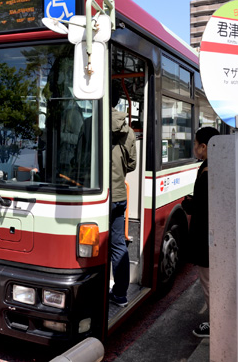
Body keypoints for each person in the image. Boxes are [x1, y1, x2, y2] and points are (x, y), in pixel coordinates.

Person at [182, 126, 219, 338]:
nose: (194, 148)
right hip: (214, 237)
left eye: (196, 144)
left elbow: (204, 207)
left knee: (209, 283)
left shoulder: (207, 171)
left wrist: (190, 205)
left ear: (204, 147)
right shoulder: (219, 165)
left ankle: (215, 324)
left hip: (206, 239)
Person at [108, 81, 136, 307]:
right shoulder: (128, 132)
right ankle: (120, 294)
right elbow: (132, 164)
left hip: (96, 199)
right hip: (118, 194)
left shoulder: (90, 124)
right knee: (118, 245)